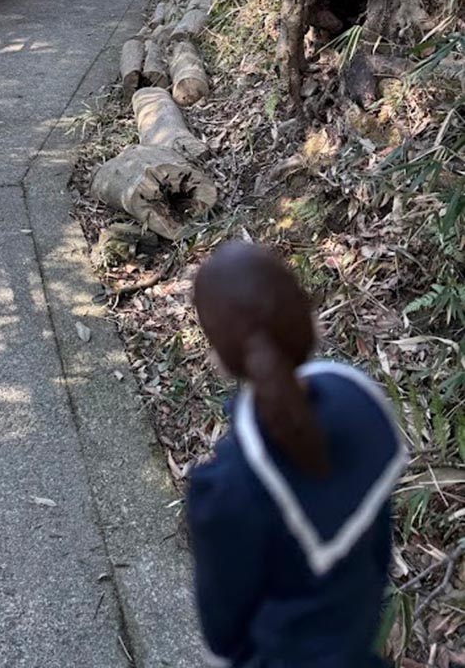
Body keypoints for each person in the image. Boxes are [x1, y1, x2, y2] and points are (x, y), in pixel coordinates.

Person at [188, 241, 407, 668]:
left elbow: (222, 630)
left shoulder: (230, 489)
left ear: (219, 359)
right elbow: (379, 550)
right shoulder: (360, 406)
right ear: (313, 323)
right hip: (354, 642)